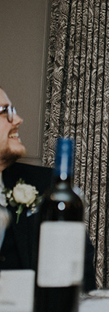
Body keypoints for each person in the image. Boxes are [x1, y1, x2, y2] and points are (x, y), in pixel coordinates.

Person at [0, 86, 96, 291]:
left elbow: (81, 263)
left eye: (13, 111)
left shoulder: (43, 185)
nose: (17, 120)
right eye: (4, 112)